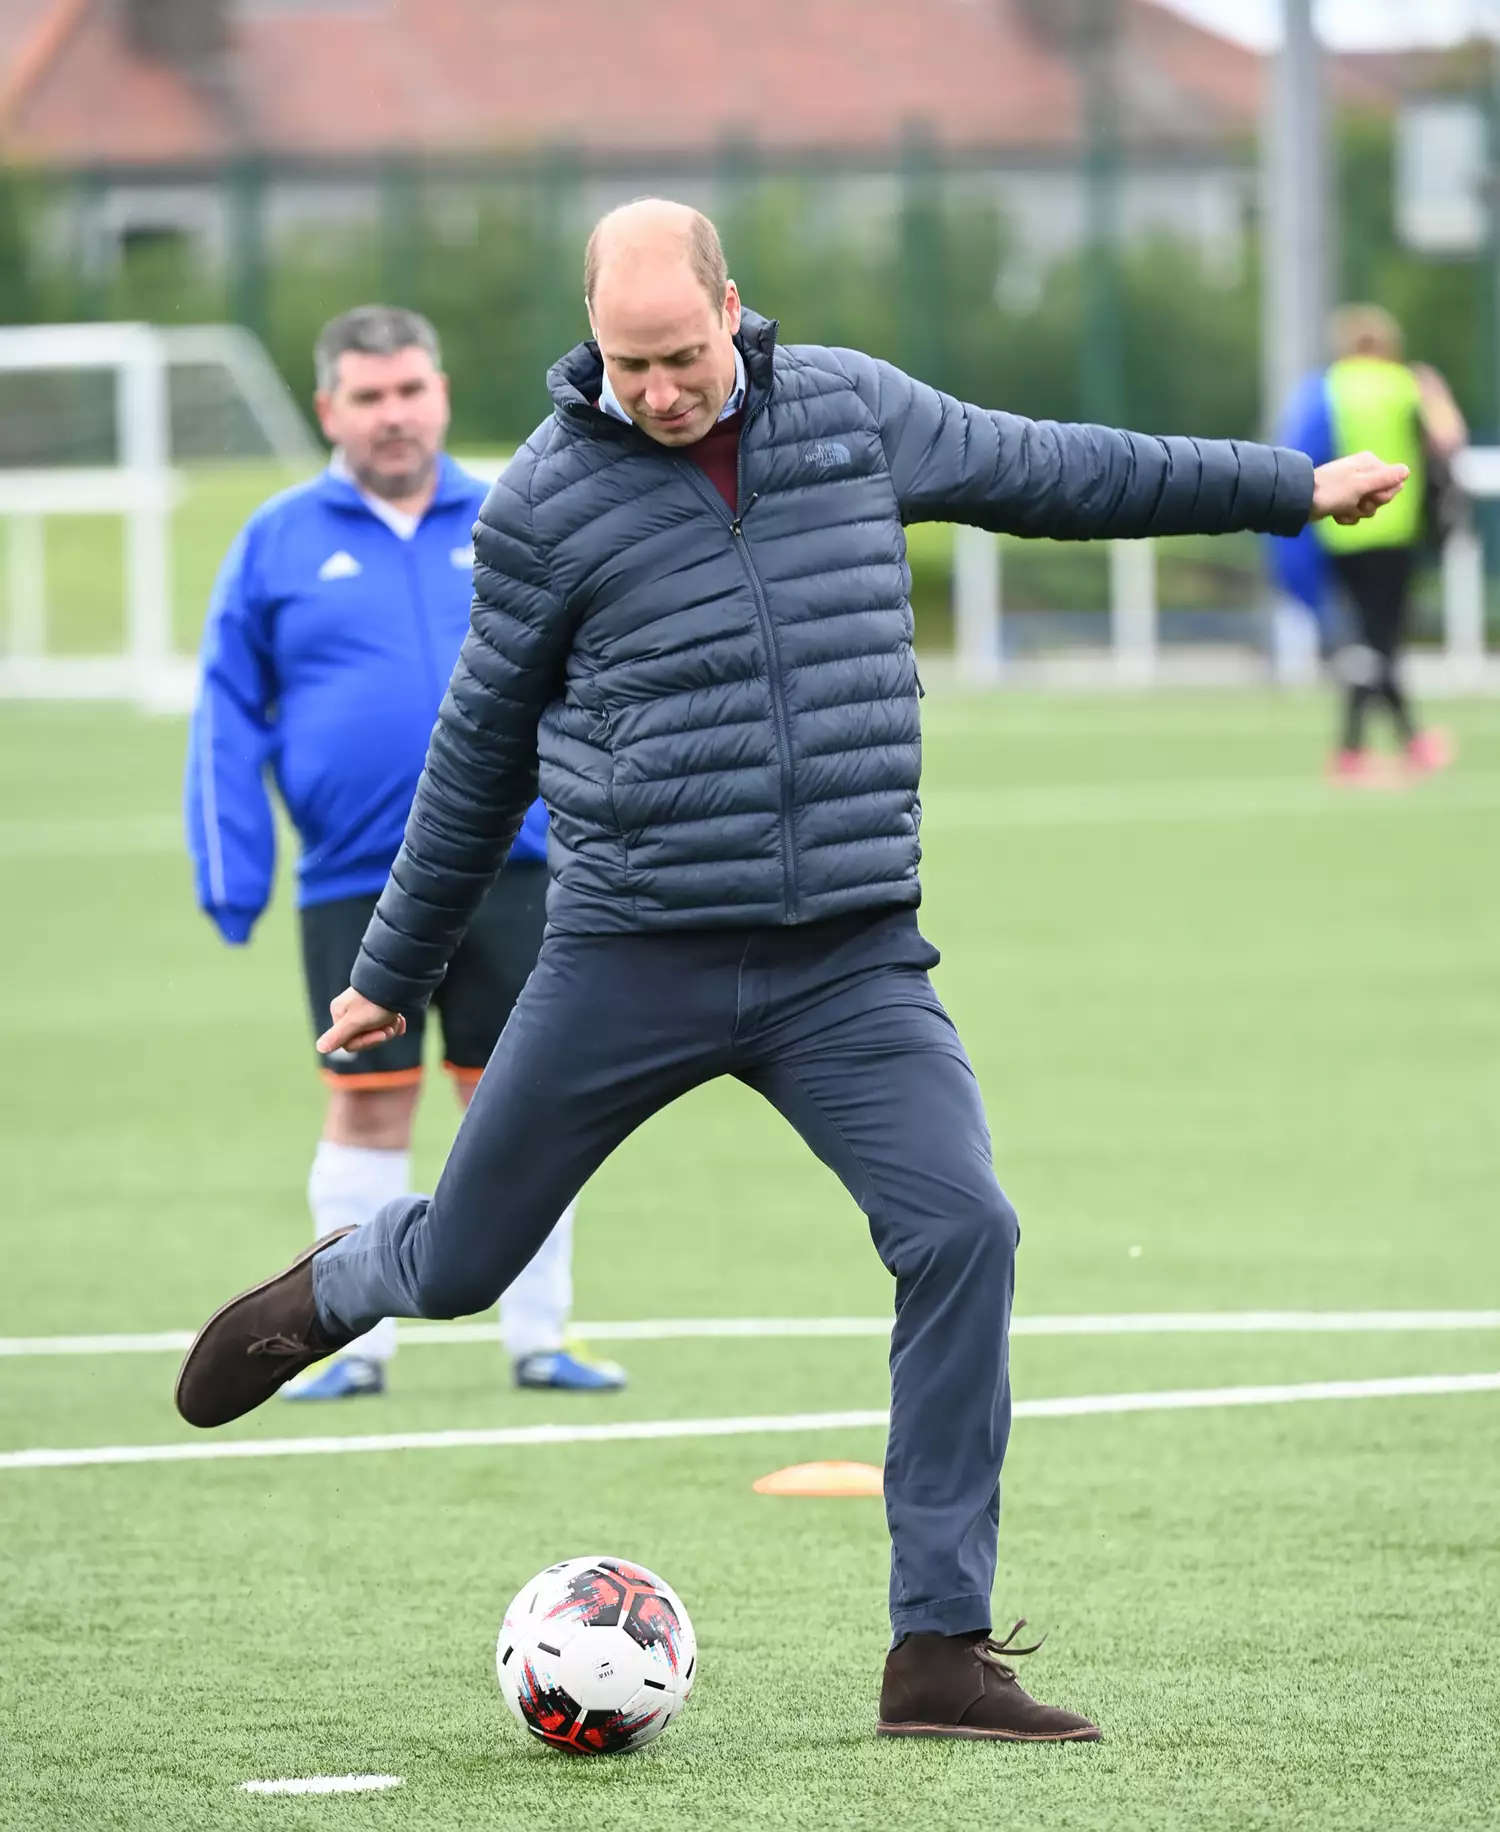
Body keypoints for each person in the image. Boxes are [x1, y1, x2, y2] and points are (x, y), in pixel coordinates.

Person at [175, 203, 1406, 1739]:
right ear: (594, 342)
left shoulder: (852, 411)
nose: (661, 390)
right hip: (628, 951)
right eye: (628, 364)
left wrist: (1289, 488)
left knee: (964, 1231)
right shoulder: (546, 503)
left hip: (849, 960)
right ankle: (344, 1284)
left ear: (732, 311)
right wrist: (391, 966)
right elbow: (479, 752)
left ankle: (938, 1657)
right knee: (467, 1265)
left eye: (682, 356)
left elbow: (1059, 468)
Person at [183, 304, 626, 1399]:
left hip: (518, 866)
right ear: (331, 407)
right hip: (354, 881)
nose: (393, 414)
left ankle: (541, 1337)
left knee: (518, 1100)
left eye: (410, 390)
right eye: (368, 396)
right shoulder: (277, 540)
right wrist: (232, 865)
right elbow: (227, 710)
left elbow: (604, 672)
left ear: (440, 394)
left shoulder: (513, 515)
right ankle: (350, 1345)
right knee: (369, 1099)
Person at [1269, 303, 1466, 785]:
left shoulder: (1326, 387)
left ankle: (1390, 744)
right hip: (1391, 529)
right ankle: (1360, 749)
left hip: (1339, 531)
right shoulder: (1401, 384)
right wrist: (1436, 392)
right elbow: (1449, 438)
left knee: (1370, 642)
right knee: (1380, 642)